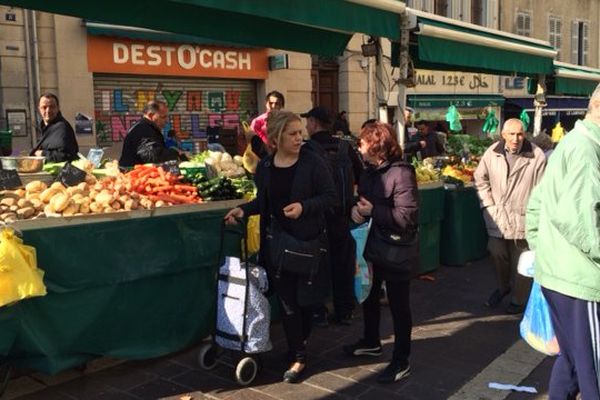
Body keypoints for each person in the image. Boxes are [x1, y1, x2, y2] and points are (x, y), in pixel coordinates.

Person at [224, 111, 335, 384]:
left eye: (301, 132)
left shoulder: (313, 162)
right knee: (287, 303)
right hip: (276, 245)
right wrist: (243, 210)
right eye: (293, 133)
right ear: (275, 139)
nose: (300, 138)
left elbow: (330, 196)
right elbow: (263, 202)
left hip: (307, 243)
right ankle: (298, 355)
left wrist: (304, 207)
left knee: (306, 302)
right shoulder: (265, 168)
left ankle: (301, 342)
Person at [526, 85, 600, 400]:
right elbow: (579, 220)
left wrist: (543, 253)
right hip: (580, 279)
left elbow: (537, 205)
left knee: (570, 363)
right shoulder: (586, 149)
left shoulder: (570, 143)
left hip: (559, 274)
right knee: (593, 372)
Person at [343, 121, 419, 384]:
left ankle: (401, 360)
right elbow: (363, 202)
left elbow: (405, 217)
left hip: (396, 250)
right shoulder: (369, 171)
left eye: (362, 143)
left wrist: (370, 211)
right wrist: (357, 210)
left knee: (399, 307)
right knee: (370, 296)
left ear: (375, 146)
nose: (359, 147)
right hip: (372, 247)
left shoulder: (402, 173)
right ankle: (371, 341)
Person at [474, 118, 546, 314]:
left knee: (521, 264)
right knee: (496, 253)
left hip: (524, 218)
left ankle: (518, 299)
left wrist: (535, 215)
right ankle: (503, 286)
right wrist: (488, 204)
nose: (516, 138)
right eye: (512, 134)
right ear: (503, 135)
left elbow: (543, 189)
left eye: (520, 133)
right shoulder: (492, 152)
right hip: (498, 218)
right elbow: (480, 179)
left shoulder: (536, 156)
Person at [302, 106, 363, 327]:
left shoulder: (307, 150)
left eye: (307, 121)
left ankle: (318, 313)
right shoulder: (345, 147)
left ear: (314, 123)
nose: (306, 126)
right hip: (342, 216)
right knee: (343, 265)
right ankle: (345, 310)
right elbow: (362, 175)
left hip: (316, 218)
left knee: (316, 267)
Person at [119, 100, 183, 167]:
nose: (166, 121)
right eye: (163, 117)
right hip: (134, 174)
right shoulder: (143, 129)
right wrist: (175, 153)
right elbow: (152, 156)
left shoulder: (146, 127)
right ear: (151, 115)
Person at [31, 93, 79, 162]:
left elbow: (66, 156)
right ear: (39, 109)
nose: (48, 111)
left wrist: (42, 153)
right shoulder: (44, 127)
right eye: (44, 107)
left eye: (52, 107)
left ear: (58, 108)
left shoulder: (62, 128)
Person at [248, 91, 285, 159]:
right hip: (263, 158)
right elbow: (251, 142)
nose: (273, 106)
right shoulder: (257, 121)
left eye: (277, 104)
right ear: (266, 104)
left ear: (281, 105)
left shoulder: (286, 121)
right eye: (270, 103)